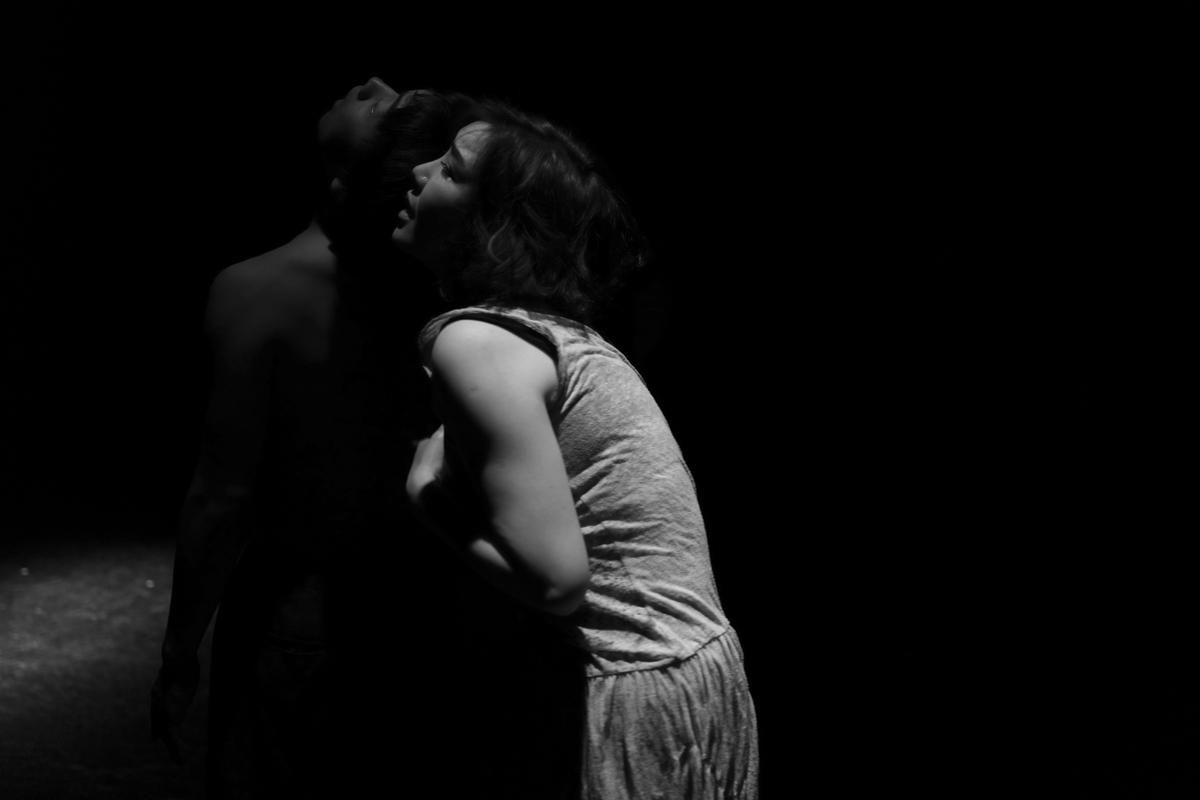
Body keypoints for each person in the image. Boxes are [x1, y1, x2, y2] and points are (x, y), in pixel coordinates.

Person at [399, 101, 760, 799]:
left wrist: (430, 501)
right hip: (691, 665)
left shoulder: (476, 341)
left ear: (495, 223)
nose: (418, 171)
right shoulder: (547, 334)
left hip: (642, 681)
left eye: (451, 169)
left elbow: (556, 582)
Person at [151, 79, 475, 798]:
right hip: (424, 612)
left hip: (299, 620)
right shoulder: (444, 293)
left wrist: (179, 651)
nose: (374, 83)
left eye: (381, 109)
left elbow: (221, 497)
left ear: (349, 175)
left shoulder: (256, 291)